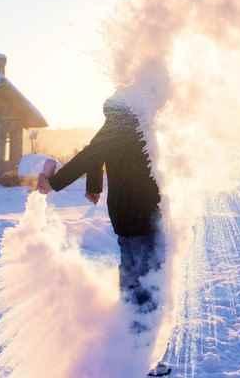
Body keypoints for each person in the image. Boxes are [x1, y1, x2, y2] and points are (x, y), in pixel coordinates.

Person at [37, 96, 171, 376]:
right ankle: (138, 360)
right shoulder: (130, 125)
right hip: (140, 217)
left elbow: (96, 150)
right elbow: (92, 153)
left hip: (131, 217)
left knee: (136, 284)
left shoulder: (121, 125)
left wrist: (94, 183)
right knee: (146, 287)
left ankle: (131, 353)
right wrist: (53, 183)